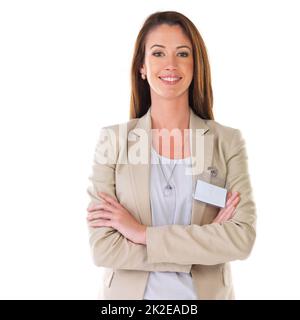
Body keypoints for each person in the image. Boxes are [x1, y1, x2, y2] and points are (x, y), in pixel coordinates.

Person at [86, 11, 256, 300]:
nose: (171, 64)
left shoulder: (226, 142)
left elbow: (241, 238)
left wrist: (142, 234)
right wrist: (203, 244)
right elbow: (104, 248)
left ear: (195, 64)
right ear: (142, 66)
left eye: (183, 53)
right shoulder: (113, 141)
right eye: (158, 53)